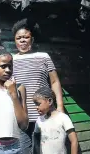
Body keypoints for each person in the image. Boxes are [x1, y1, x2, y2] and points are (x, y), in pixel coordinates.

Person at [12, 18, 64, 153]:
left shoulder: (43, 56)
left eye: (26, 37)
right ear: (15, 41)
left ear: (32, 39)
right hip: (22, 118)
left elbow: (54, 82)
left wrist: (60, 107)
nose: (23, 40)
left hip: (44, 114)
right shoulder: (11, 60)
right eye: (19, 38)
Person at [32, 86, 78, 154]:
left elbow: (74, 141)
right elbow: (36, 141)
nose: (36, 107)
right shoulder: (39, 120)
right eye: (35, 104)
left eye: (38, 104)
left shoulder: (63, 118)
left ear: (50, 101)